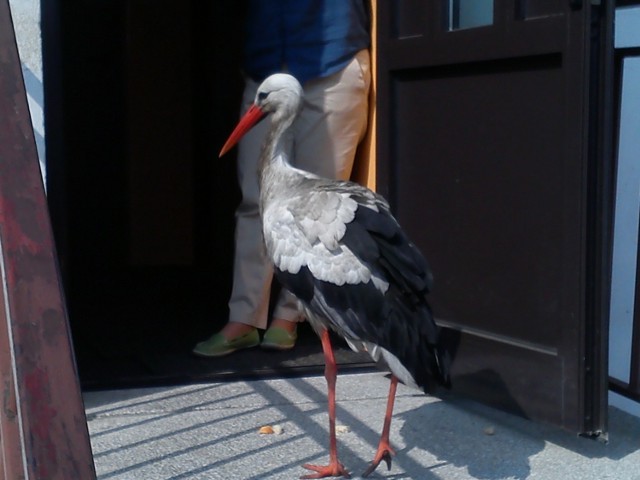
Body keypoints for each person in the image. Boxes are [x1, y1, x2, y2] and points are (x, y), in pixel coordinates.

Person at [193, 0, 371, 357]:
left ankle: (289, 316)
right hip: (266, 64)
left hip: (332, 63)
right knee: (255, 199)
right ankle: (244, 317)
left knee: (317, 208)